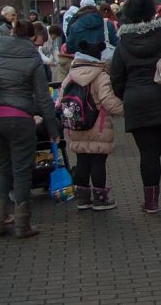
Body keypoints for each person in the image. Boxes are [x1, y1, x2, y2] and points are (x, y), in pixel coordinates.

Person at [110, 0, 161, 213]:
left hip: (138, 103)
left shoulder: (123, 44)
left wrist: (128, 95)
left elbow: (116, 78)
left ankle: (151, 202)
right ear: (151, 13)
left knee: (148, 153)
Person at [0, 20, 60, 238]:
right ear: (33, 37)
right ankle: (22, 225)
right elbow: (43, 99)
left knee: (2, 168)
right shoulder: (32, 57)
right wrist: (53, 128)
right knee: (22, 171)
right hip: (20, 119)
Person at [60, 39, 124, 211]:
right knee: (97, 162)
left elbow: (61, 100)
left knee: (82, 161)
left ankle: (83, 199)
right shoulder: (101, 75)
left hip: (76, 125)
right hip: (98, 125)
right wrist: (125, 110)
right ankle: (100, 199)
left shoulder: (71, 75)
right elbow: (108, 101)